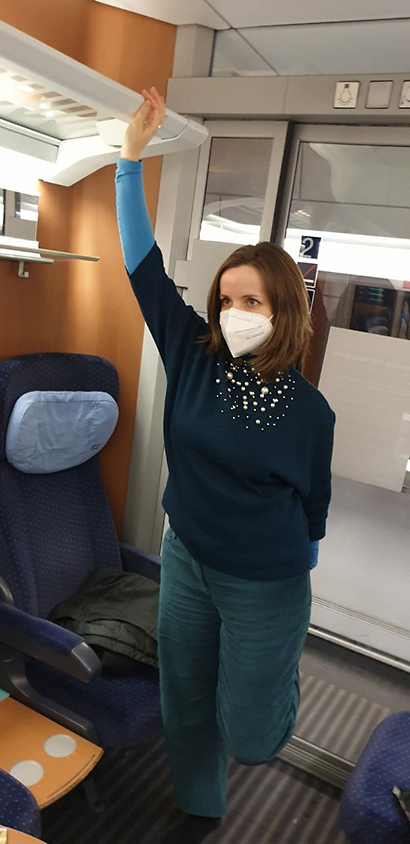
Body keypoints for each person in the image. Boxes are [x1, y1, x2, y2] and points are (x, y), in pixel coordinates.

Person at [115, 87, 335, 844]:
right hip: (187, 557)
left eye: (254, 302)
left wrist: (295, 570)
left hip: (266, 582)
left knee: (250, 734)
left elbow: (314, 508)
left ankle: (275, 680)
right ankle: (200, 807)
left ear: (284, 313)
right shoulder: (194, 354)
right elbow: (142, 265)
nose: (235, 313)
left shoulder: (310, 412)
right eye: (227, 299)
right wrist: (130, 156)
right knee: (183, 701)